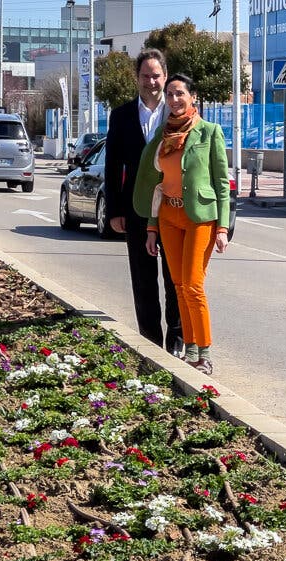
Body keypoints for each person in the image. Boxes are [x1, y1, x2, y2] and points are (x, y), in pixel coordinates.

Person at [132, 73, 230, 376]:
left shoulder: (209, 132)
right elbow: (156, 184)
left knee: (193, 285)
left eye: (180, 94)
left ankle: (205, 353)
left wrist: (223, 228)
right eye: (170, 95)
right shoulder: (162, 137)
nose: (174, 100)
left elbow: (222, 183)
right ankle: (189, 351)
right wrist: (151, 226)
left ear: (193, 97)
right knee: (177, 286)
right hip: (168, 217)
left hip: (200, 217)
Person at [104, 49, 183, 356]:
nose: (151, 82)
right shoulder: (122, 116)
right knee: (143, 279)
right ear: (136, 79)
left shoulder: (180, 112)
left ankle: (176, 344)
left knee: (175, 278)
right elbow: (113, 167)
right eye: (146, 76)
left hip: (174, 209)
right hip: (137, 210)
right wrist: (114, 210)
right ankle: (151, 343)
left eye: (157, 75)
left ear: (165, 77)